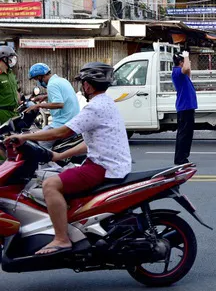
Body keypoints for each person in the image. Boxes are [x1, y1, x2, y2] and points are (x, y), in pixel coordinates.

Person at [4, 62, 131, 255]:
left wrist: (24, 136)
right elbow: (91, 143)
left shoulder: (95, 108)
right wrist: (60, 155)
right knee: (60, 172)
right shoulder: (105, 103)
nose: (82, 86)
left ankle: (62, 239)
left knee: (50, 185)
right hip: (108, 163)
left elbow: (61, 132)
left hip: (103, 167)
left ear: (88, 85)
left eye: (83, 83)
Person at [26, 63, 80, 149]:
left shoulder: (51, 85)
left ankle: (46, 162)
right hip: (73, 121)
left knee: (39, 146)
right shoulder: (61, 80)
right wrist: (45, 96)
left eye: (36, 79)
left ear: (40, 76)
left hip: (62, 123)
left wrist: (37, 106)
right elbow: (64, 95)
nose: (37, 82)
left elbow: (59, 104)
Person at [172, 51, 198, 165]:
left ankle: (183, 158)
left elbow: (188, 72)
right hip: (184, 107)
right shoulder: (177, 71)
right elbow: (186, 68)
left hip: (187, 107)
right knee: (184, 134)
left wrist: (187, 59)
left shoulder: (182, 74)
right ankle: (180, 159)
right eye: (184, 61)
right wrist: (186, 56)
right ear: (180, 62)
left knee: (186, 134)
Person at [0, 46, 19, 125]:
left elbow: (15, 90)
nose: (12, 61)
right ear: (4, 59)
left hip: (14, 112)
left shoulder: (10, 73)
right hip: (2, 113)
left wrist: (20, 101)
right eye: (10, 58)